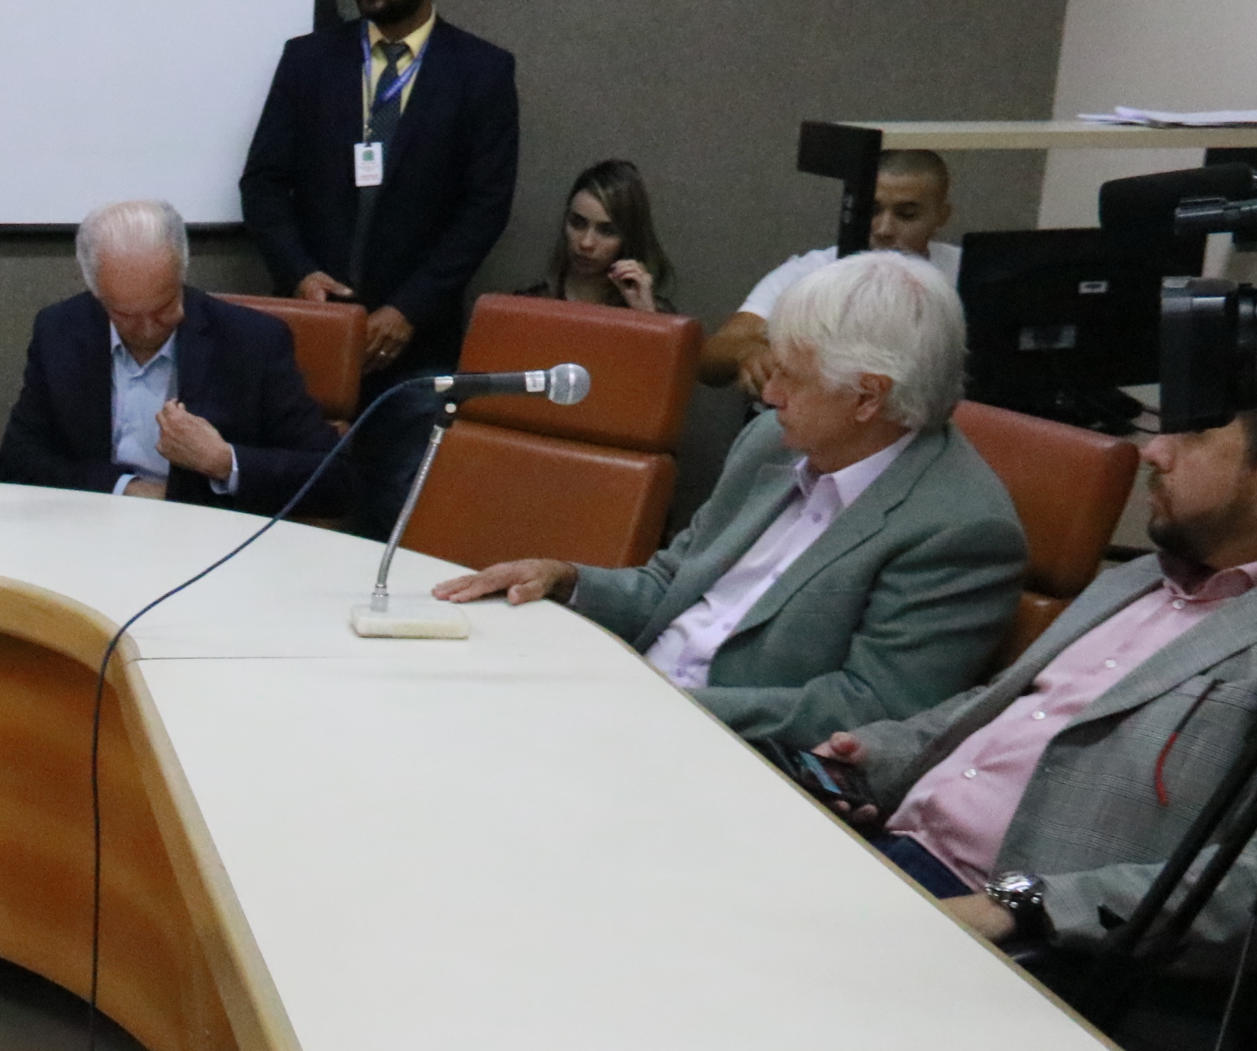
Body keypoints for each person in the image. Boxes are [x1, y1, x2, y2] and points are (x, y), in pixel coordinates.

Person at [808, 401, 1257, 1051]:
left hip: (1028, 943)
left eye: (1194, 438)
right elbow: (1007, 708)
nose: (1154, 452)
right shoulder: (1140, 579)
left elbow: (1244, 885)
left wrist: (1023, 906)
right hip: (889, 851)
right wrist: (873, 757)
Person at [434, 251, 1023, 747]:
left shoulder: (961, 529)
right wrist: (567, 581)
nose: (770, 393)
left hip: (731, 756)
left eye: (791, 376)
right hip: (625, 705)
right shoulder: (772, 441)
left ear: (868, 397)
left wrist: (664, 704)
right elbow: (673, 582)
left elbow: (868, 707)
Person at [239, 0, 519, 537]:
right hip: (309, 333)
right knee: (291, 515)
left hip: (416, 348)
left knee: (391, 518)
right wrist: (300, 276)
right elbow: (263, 183)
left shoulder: (481, 73)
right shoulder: (309, 61)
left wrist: (406, 310)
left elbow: (484, 209)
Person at [0, 198, 340, 513]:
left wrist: (224, 462)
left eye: (163, 308)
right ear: (96, 293)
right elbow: (16, 462)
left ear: (181, 275)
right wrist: (126, 489)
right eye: (125, 315)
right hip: (93, 527)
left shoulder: (251, 341)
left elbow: (334, 476)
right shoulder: (61, 331)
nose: (147, 330)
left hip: (209, 534)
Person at [700, 150, 960, 398]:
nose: (883, 229)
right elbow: (709, 358)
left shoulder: (966, 270)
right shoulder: (811, 272)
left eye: (906, 215)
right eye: (872, 211)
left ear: (941, 215)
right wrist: (747, 354)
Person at [518, 159, 671, 314]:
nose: (586, 243)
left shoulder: (655, 314)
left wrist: (645, 316)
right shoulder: (526, 306)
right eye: (577, 223)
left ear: (628, 237)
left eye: (607, 231)